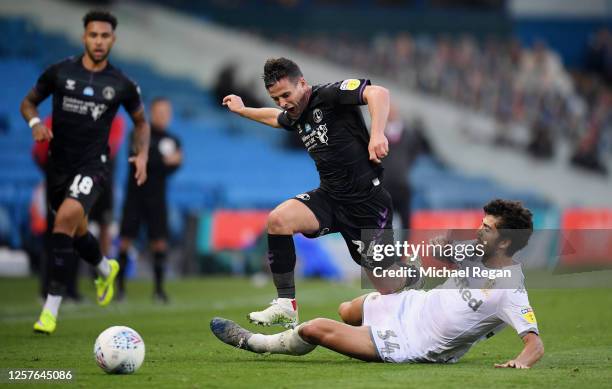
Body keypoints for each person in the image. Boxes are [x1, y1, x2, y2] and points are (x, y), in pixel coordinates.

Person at [211, 199, 545, 369]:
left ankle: (255, 342)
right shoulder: (476, 251)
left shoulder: (510, 289)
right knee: (347, 309)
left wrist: (520, 362)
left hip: (412, 341)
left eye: (487, 228)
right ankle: (358, 332)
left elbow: (534, 345)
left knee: (314, 329)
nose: (479, 231)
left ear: (504, 243)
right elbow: (440, 253)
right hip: (412, 304)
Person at [222, 57, 415, 329]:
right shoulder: (294, 113)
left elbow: (378, 93)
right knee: (278, 220)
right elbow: (276, 119)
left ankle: (415, 285)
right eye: (276, 98)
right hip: (331, 198)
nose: (283, 103)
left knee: (387, 284)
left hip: (367, 204)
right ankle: (286, 305)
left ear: (302, 83)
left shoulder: (330, 94)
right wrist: (243, 111)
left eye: (286, 94)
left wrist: (377, 134)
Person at [20, 10, 150, 334]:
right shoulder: (60, 72)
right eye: (93, 35)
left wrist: (143, 154)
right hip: (58, 165)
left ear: (113, 40)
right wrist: (35, 124)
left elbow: (141, 122)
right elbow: (28, 103)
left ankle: (50, 310)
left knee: (64, 221)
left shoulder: (121, 84)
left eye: (105, 36)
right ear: (84, 37)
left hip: (93, 165)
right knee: (76, 230)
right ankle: (106, 269)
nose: (99, 41)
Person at [32, 115, 125, 302]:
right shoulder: (54, 118)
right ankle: (52, 288)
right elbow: (39, 151)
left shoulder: (112, 118)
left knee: (76, 232)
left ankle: (72, 287)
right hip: (61, 178)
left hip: (92, 178)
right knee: (59, 234)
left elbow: (111, 147)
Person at [117, 97, 182, 303]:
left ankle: (159, 290)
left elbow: (175, 166)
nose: (163, 116)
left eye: (166, 113)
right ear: (151, 113)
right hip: (135, 196)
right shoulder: (139, 133)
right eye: (159, 112)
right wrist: (162, 160)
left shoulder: (173, 139)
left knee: (159, 243)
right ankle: (119, 290)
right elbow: (140, 159)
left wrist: (155, 160)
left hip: (157, 198)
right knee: (126, 241)